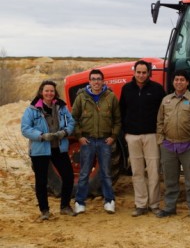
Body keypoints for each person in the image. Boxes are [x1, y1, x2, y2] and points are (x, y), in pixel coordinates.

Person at [21, 80, 76, 220]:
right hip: (40, 149)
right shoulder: (32, 109)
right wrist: (41, 136)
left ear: (55, 93)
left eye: (52, 91)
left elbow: (71, 122)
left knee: (69, 176)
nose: (49, 93)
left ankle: (65, 207)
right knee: (41, 181)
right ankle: (44, 211)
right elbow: (25, 129)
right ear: (41, 92)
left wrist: (65, 132)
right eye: (46, 91)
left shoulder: (61, 107)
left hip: (58, 148)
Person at [72, 69, 121, 215]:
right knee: (84, 172)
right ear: (89, 81)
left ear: (103, 81)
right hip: (87, 140)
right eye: (93, 79)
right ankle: (80, 202)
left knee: (106, 172)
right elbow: (73, 118)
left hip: (104, 141)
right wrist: (79, 136)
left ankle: (109, 201)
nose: (96, 82)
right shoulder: (81, 98)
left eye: (99, 79)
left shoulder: (111, 97)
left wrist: (113, 136)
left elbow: (118, 120)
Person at [156, 70, 190, 221]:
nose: (179, 82)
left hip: (188, 146)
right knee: (170, 180)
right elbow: (160, 121)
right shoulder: (166, 100)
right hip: (168, 145)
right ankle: (170, 208)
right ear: (173, 82)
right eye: (176, 79)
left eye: (182, 80)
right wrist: (160, 141)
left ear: (187, 82)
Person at [120, 60, 165, 217]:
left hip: (151, 135)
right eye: (138, 72)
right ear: (134, 72)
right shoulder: (126, 89)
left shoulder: (157, 89)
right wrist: (125, 133)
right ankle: (140, 204)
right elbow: (122, 111)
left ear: (149, 73)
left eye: (144, 72)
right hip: (132, 136)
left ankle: (154, 204)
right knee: (137, 171)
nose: (141, 75)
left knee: (153, 171)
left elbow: (163, 112)